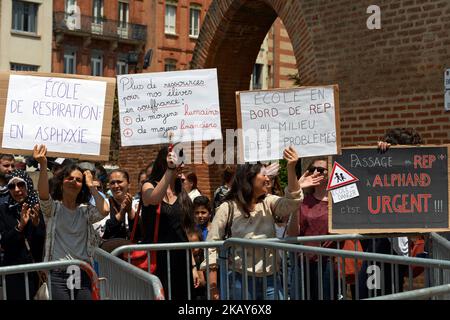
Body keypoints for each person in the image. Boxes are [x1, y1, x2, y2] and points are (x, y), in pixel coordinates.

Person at [204, 147, 323, 300]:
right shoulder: (227, 208)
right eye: (264, 175)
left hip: (271, 280)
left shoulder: (269, 201)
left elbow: (292, 202)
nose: (268, 179)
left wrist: (291, 168)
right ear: (249, 178)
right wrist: (213, 286)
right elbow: (211, 246)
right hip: (240, 281)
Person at [33, 144, 109, 300]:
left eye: (78, 180)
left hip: (83, 273)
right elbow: (43, 194)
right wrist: (43, 165)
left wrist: (91, 186)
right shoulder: (53, 209)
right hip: (57, 274)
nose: (74, 181)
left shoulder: (86, 211)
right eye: (69, 178)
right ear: (62, 182)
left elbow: (105, 210)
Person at [358, 128, 423, 298]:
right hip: (380, 246)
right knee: (375, 292)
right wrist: (382, 155)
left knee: (394, 292)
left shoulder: (415, 175)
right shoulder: (381, 169)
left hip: (398, 250)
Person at [140, 146, 199, 299]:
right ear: (165, 161)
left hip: (181, 259)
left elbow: (184, 231)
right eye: (179, 161)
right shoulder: (148, 185)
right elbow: (153, 199)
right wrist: (170, 170)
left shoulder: (182, 192)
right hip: (156, 260)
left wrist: (193, 266)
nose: (182, 165)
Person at [286, 157, 338, 300]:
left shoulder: (339, 200)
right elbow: (292, 233)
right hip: (304, 262)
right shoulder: (303, 200)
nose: (316, 172)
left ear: (330, 173)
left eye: (321, 170)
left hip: (328, 262)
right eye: (312, 169)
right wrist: (297, 198)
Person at [0, 170, 45, 300]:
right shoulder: (4, 210)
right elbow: (4, 242)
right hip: (14, 271)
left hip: (36, 269)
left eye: (20, 185)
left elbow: (43, 241)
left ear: (28, 185)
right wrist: (20, 227)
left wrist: (37, 224)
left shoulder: (38, 207)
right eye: (11, 186)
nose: (17, 190)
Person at [102, 169, 137, 240]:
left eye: (119, 182)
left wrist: (130, 211)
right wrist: (121, 213)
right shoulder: (104, 204)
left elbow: (139, 231)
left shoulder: (137, 204)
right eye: (112, 183)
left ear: (129, 184)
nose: (116, 186)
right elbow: (104, 232)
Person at [187, 227, 207, 300]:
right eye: (190, 244)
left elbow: (203, 280)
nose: (193, 247)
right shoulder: (187, 258)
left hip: (203, 293)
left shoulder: (203, 257)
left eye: (195, 243)